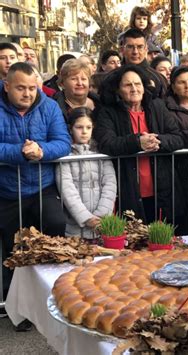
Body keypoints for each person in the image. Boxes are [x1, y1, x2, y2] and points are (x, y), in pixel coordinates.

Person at [0, 62, 70, 299]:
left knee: (55, 226)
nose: (28, 93)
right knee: (12, 248)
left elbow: (63, 142)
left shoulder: (49, 107)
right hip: (7, 190)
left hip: (42, 186)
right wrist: (19, 152)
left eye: (32, 88)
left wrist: (41, 150)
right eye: (21, 88)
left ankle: (54, 291)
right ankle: (15, 303)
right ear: (7, 85)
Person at [94, 65, 183, 224]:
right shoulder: (108, 112)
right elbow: (107, 143)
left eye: (138, 84)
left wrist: (158, 141)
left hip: (161, 186)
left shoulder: (157, 106)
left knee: (162, 241)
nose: (134, 88)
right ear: (118, 90)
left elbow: (177, 137)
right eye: (128, 85)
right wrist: (137, 142)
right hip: (128, 187)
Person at [56, 107, 117, 240]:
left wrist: (101, 215)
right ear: (71, 128)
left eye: (88, 127)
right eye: (79, 127)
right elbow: (67, 190)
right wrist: (86, 217)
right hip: (75, 225)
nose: (84, 132)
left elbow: (110, 184)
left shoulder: (102, 154)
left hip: (102, 224)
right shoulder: (65, 156)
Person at [118, 28, 166, 99]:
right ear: (122, 50)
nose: (135, 52)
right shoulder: (112, 78)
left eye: (140, 47)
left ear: (146, 49)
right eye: (130, 47)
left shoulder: (158, 79)